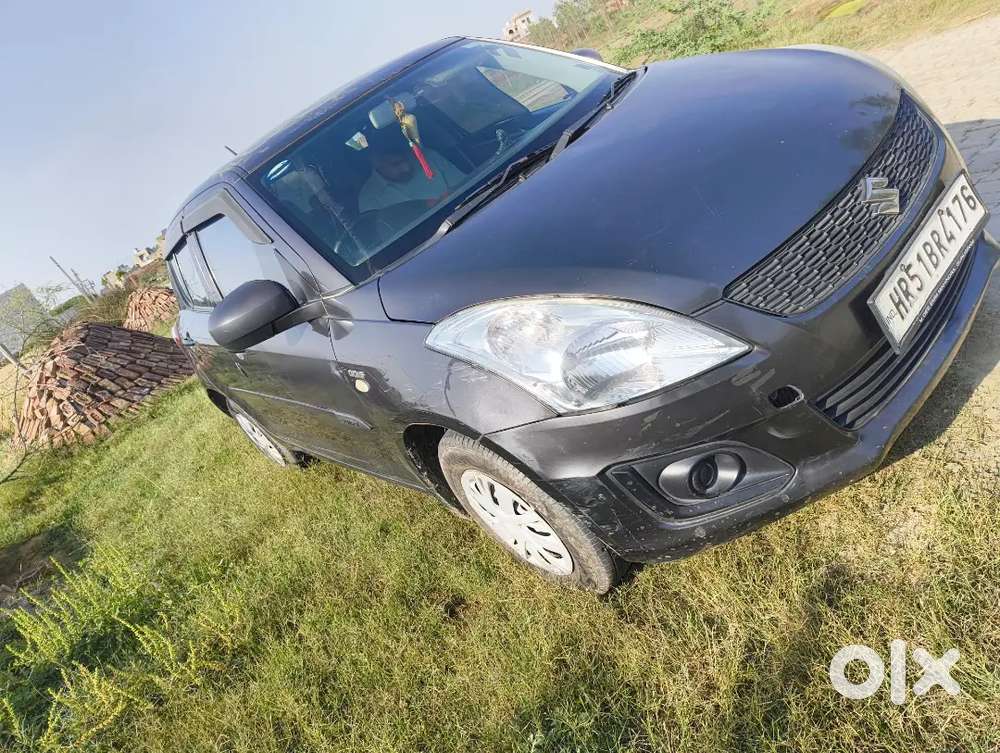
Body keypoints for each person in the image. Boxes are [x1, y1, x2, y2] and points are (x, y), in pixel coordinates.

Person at [358, 145, 466, 213]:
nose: (406, 168)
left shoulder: (428, 158)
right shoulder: (369, 198)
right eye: (396, 164)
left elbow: (463, 187)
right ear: (377, 165)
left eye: (406, 159)